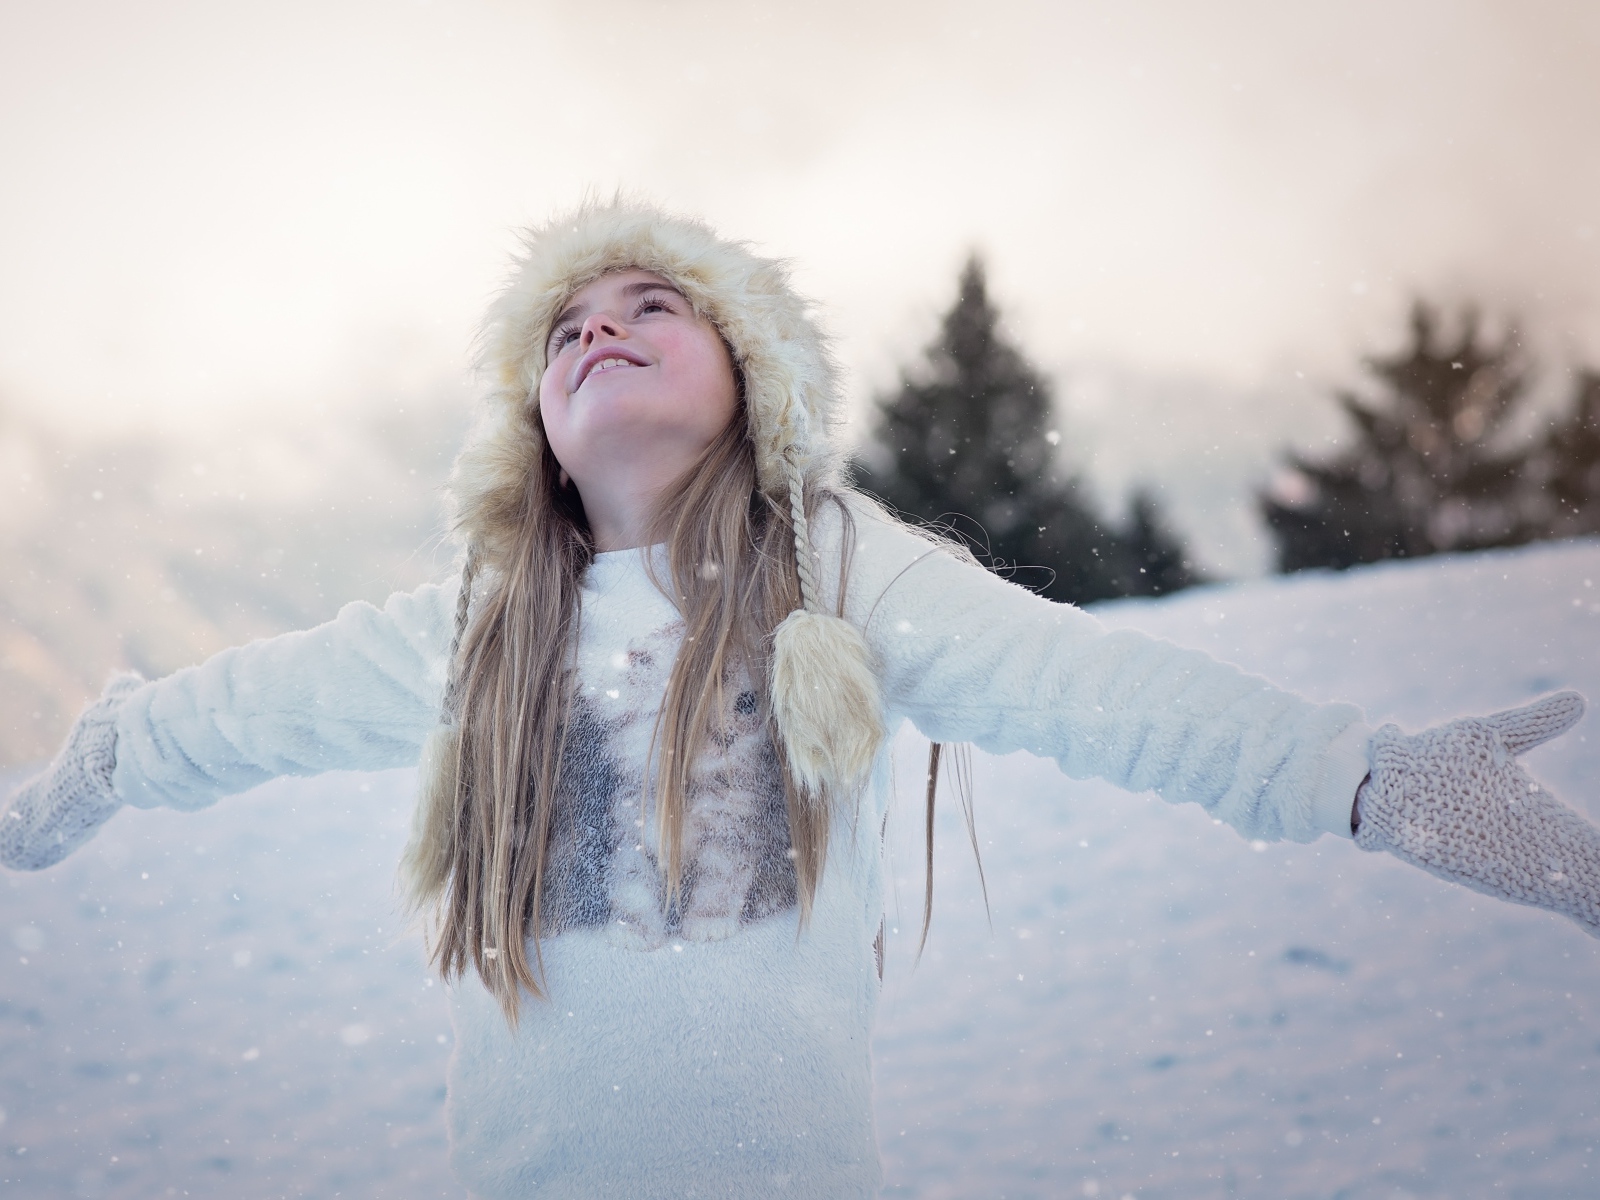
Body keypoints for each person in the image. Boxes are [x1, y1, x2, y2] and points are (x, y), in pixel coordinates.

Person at [3, 199, 1597, 1200]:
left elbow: (1092, 688)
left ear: (751, 374)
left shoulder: (836, 572)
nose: (599, 328)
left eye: (651, 306)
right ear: (533, 428)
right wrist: (115, 749)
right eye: (565, 331)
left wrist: (1365, 774)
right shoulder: (480, 631)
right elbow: (251, 706)